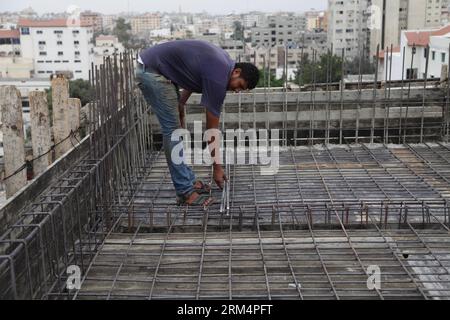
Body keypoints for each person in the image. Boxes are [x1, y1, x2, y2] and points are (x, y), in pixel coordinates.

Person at [136, 40, 259, 207]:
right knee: (172, 132)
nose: (237, 91)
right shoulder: (219, 78)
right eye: (240, 86)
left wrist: (182, 101)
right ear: (236, 72)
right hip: (152, 73)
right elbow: (211, 130)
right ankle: (185, 192)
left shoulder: (224, 63)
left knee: (175, 131)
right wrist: (217, 168)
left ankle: (188, 181)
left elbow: (193, 74)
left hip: (154, 67)